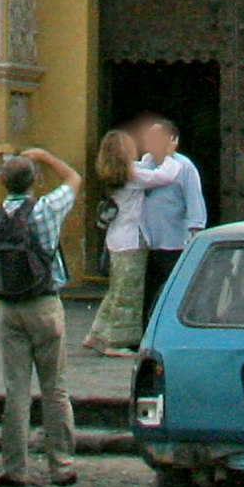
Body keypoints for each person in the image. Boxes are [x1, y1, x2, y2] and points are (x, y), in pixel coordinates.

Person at [0, 147, 83, 487]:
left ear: (1, 182)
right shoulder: (46, 210)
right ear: (35, 180)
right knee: (54, 389)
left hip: (9, 308)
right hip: (44, 304)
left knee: (16, 391)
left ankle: (14, 468)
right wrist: (46, 157)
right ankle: (62, 465)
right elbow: (74, 179)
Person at [85, 127, 179, 354]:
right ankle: (116, 342)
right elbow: (165, 175)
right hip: (132, 240)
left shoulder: (113, 176)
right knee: (129, 294)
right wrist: (168, 154)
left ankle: (97, 334)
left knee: (116, 289)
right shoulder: (133, 176)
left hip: (116, 238)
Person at [134, 113, 209, 322]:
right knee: (149, 293)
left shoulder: (184, 167)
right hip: (150, 241)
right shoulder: (144, 165)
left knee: (172, 292)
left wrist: (195, 232)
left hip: (175, 241)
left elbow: (194, 201)